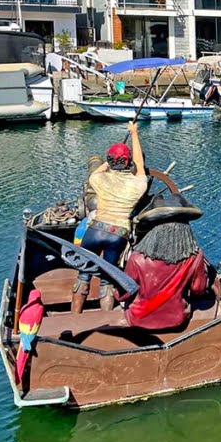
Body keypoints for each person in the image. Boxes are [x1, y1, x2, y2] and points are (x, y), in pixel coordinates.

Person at [74, 123, 148, 313]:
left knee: (83, 276)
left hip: (95, 230)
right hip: (118, 234)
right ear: (128, 162)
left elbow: (97, 171)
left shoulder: (98, 180)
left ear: (109, 161)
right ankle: (106, 319)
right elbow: (139, 164)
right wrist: (134, 133)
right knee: (107, 279)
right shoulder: (138, 184)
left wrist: (109, 162)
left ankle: (75, 317)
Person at [122, 222, 210, 331]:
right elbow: (198, 290)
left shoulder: (136, 257)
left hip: (138, 319)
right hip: (177, 319)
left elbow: (123, 294)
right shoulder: (195, 256)